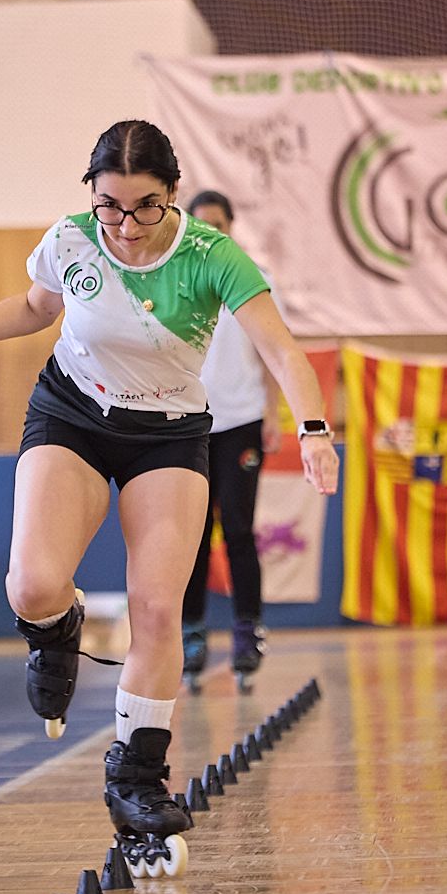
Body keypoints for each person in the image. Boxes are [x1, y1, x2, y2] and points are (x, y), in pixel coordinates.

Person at [0, 120, 339, 876]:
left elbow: (282, 347)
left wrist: (314, 432)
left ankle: (137, 778)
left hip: (170, 433)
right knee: (31, 584)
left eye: (144, 207)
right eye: (109, 206)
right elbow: (35, 307)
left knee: (158, 606)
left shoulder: (211, 257)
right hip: (72, 414)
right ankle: (57, 630)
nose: (124, 227)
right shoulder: (72, 238)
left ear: (173, 195)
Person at [180, 190, 281, 688]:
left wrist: (275, 414)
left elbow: (272, 350)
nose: (212, 233)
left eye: (219, 224)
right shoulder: (178, 275)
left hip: (242, 419)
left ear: (232, 227)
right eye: (203, 225)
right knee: (193, 537)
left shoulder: (252, 279)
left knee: (238, 529)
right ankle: (192, 631)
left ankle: (246, 629)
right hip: (189, 423)